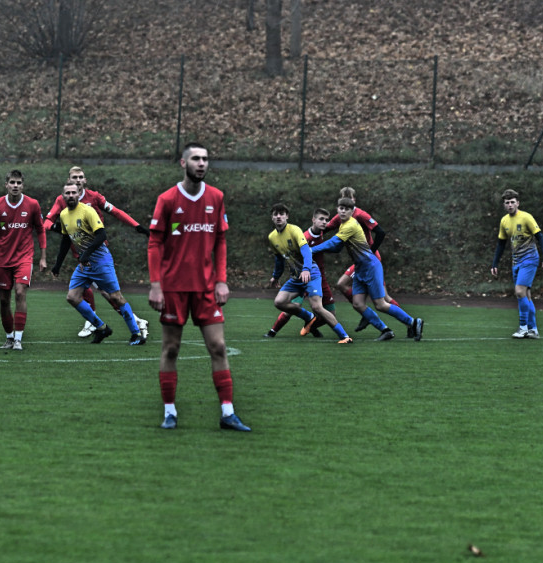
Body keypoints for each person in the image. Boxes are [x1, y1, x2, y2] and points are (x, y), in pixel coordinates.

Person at [147, 143, 250, 431]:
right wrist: (156, 285)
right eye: (196, 159)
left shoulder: (216, 197)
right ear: (183, 163)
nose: (201, 163)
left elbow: (220, 240)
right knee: (171, 349)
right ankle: (170, 412)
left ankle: (228, 413)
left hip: (206, 288)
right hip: (174, 288)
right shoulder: (167, 199)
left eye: (205, 159)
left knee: (218, 347)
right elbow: (154, 243)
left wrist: (221, 280)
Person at [44, 166, 150, 340]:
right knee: (73, 296)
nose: (76, 184)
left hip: (99, 257)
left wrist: (137, 226)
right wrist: (58, 264)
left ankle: (136, 330)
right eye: (73, 180)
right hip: (83, 260)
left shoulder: (91, 205)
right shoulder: (63, 213)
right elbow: (63, 237)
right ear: (63, 195)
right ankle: (100, 326)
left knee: (113, 296)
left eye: (80, 179)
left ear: (81, 188)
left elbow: (104, 230)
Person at [311, 197, 424, 342]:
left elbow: (333, 242)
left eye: (347, 209)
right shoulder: (343, 225)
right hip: (360, 269)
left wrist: (310, 249)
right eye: (341, 208)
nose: (343, 211)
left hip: (371, 267)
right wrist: (318, 250)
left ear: (352, 211)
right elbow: (337, 247)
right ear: (337, 210)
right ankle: (385, 330)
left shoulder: (350, 225)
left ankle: (413, 322)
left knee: (381, 304)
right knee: (358, 303)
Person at [0, 170, 48, 351]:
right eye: (12, 182)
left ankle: (18, 339)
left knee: (20, 293)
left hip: (24, 258)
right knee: (3, 300)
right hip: (3, 260)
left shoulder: (32, 204)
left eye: (18, 183)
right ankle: (9, 337)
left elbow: (40, 230)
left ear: (22, 185)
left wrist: (43, 257)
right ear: (6, 185)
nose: (15, 186)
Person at [265, 203, 352, 344]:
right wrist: (276, 276)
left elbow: (306, 252)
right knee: (279, 302)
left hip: (311, 273)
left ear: (287, 216)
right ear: (272, 218)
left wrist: (306, 269)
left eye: (282, 214)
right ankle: (309, 317)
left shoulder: (294, 230)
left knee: (317, 306)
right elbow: (279, 259)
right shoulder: (272, 237)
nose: (279, 216)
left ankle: (344, 336)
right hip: (296, 277)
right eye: (276, 214)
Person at [322, 186, 397, 340]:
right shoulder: (341, 216)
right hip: (360, 260)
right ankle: (366, 313)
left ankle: (410, 324)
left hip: (369, 260)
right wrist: (309, 235)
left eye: (349, 198)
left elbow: (381, 232)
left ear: (354, 201)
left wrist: (372, 251)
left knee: (382, 300)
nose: (346, 202)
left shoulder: (360, 215)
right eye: (343, 198)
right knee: (346, 285)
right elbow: (326, 229)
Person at [491, 188, 543, 339]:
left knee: (519, 291)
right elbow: (500, 244)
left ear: (518, 203)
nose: (510, 205)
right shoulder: (504, 221)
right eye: (507, 203)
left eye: (512, 202)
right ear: (504, 205)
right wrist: (495, 263)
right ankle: (534, 330)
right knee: (526, 295)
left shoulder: (526, 217)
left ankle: (523, 327)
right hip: (516, 261)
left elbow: (540, 237)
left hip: (530, 259)